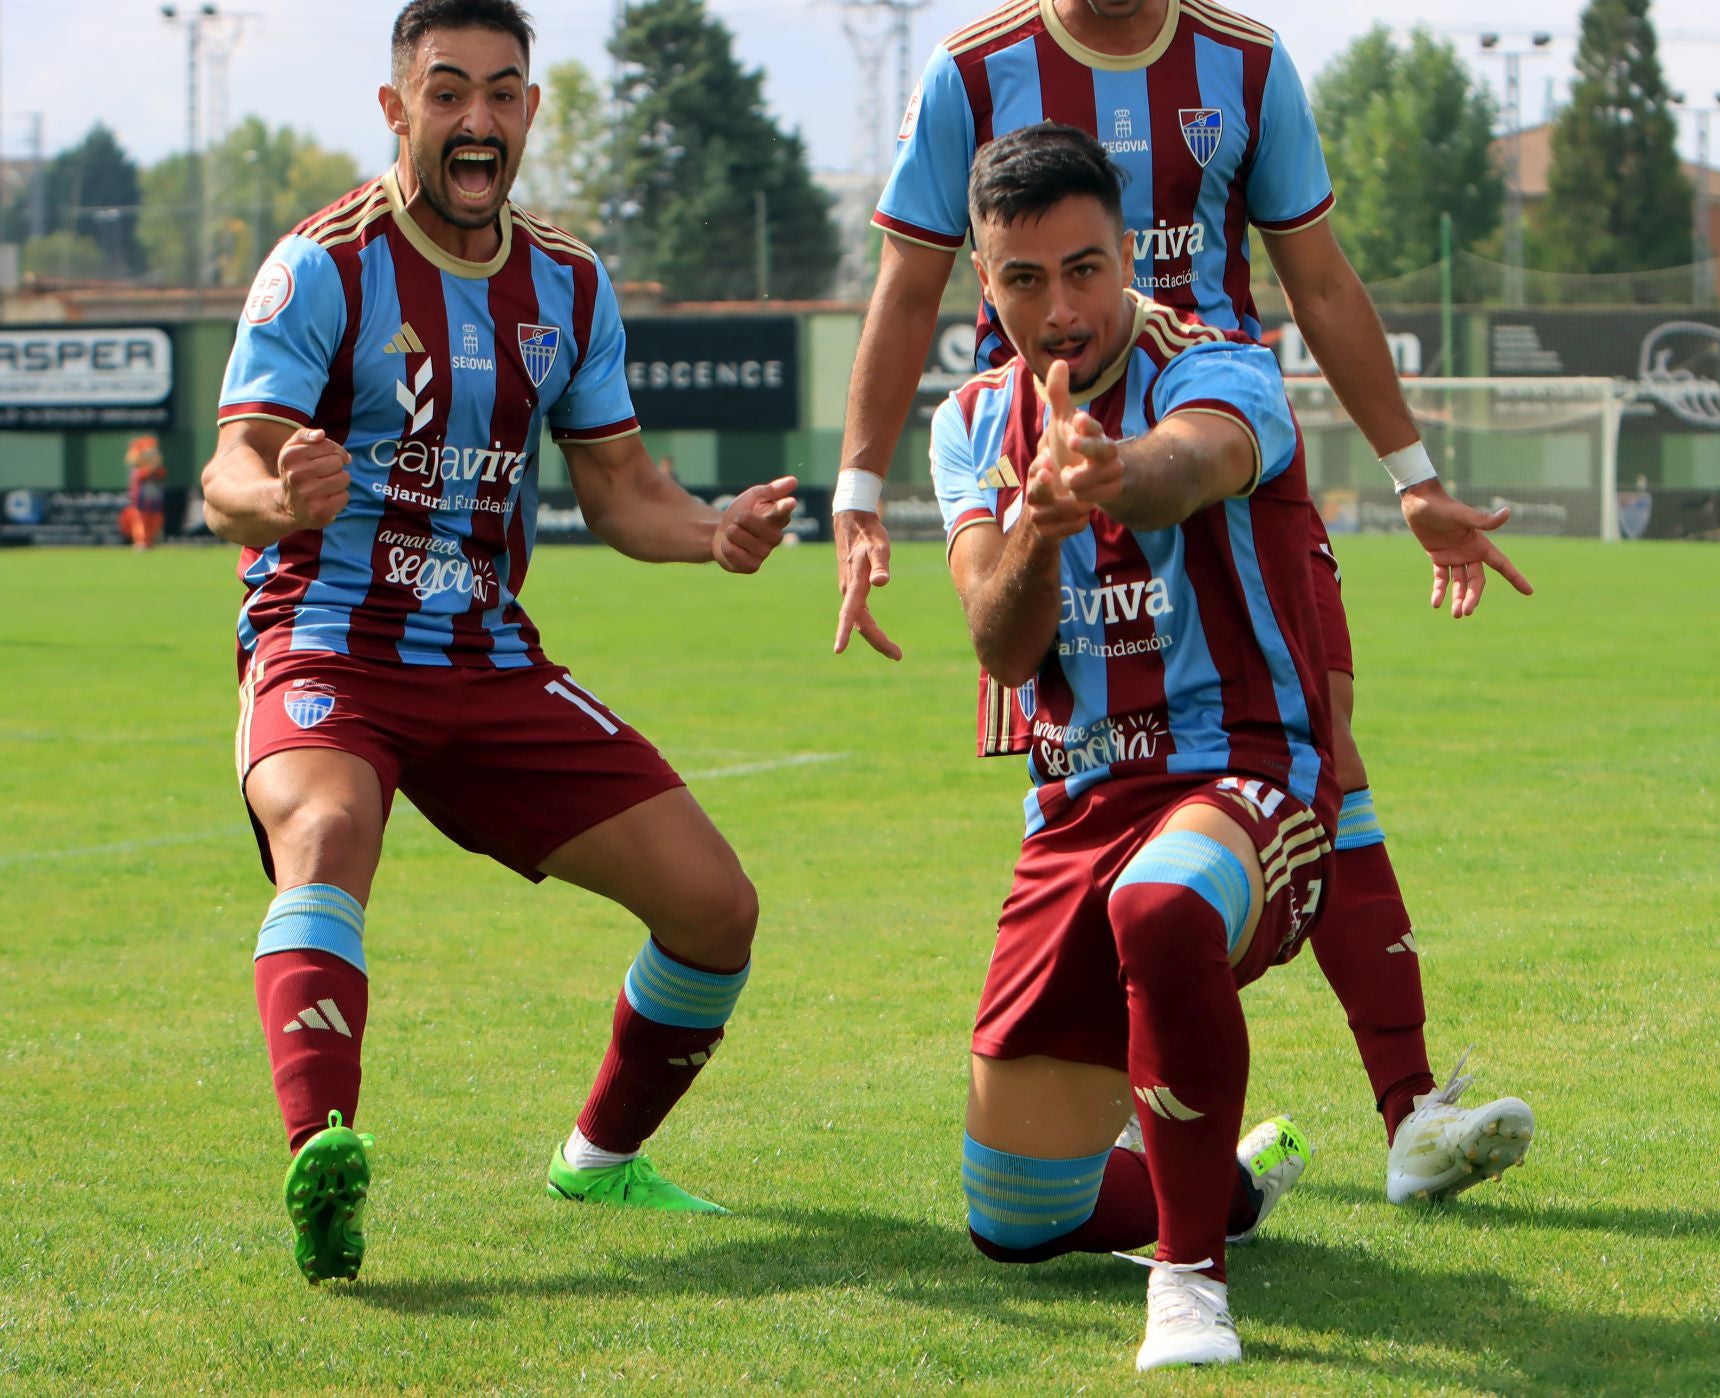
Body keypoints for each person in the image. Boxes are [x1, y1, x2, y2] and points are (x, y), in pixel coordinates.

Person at [831, 0, 1532, 1205]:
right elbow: (905, 288)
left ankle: (1408, 1111)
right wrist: (856, 491)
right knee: (1085, 759)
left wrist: (1414, 476)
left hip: (1218, 447)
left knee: (1323, 747)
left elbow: (1316, 274)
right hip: (1041, 458)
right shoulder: (971, 72)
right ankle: (1133, 1118)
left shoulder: (1246, 63)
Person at [202, 0, 798, 1285]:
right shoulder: (322, 266)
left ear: (531, 108)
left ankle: (597, 1159)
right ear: (396, 106)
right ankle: (325, 1153)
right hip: (327, 638)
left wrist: (714, 535)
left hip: (485, 658)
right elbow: (226, 476)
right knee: (325, 834)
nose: (477, 122)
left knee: (716, 909)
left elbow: (622, 490)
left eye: (504, 94)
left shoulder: (570, 283)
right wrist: (277, 498)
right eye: (449, 91)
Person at [936, 121, 1349, 1371]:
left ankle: (1189, 1285)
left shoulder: (1215, 357)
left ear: (1129, 256)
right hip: (1079, 803)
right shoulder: (967, 424)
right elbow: (1002, 652)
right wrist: (1042, 524)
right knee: (1017, 1216)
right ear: (980, 277)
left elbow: (1199, 464)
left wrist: (1110, 472)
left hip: (1248, 778)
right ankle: (1222, 1188)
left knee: (1164, 908)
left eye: (1085, 269)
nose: (1059, 308)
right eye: (1022, 279)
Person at [124, 435, 167, 549]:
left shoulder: (157, 470)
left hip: (155, 500)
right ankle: (141, 542)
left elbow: (162, 474)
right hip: (141, 501)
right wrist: (152, 464)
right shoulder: (137, 470)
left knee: (155, 520)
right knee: (140, 521)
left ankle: (150, 541)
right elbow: (142, 475)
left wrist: (155, 463)